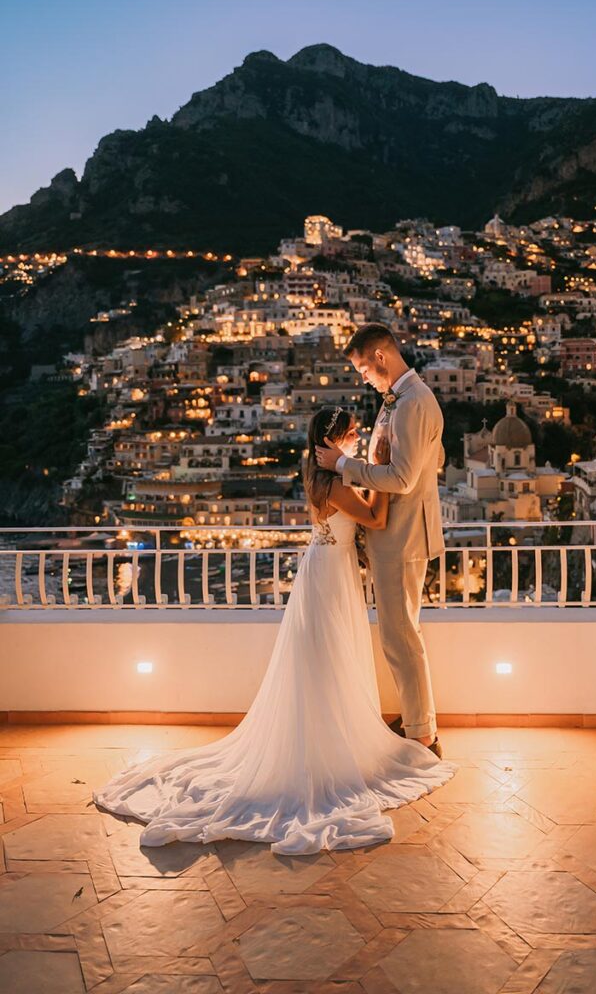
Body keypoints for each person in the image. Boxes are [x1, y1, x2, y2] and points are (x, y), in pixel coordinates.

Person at [93, 405, 455, 855]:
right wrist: (380, 469)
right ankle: (328, 747)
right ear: (332, 439)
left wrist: (363, 468)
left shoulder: (319, 474)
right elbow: (376, 519)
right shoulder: (334, 484)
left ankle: (332, 735)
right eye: (350, 433)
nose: (357, 436)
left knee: (324, 658)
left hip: (326, 569)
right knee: (329, 657)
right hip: (330, 575)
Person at [316, 323, 445, 755]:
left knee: (400, 637)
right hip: (394, 536)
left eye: (363, 368)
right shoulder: (401, 403)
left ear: (381, 357)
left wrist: (341, 467)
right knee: (399, 635)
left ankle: (423, 735)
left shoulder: (412, 404)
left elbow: (404, 479)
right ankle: (416, 720)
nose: (363, 377)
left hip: (403, 538)